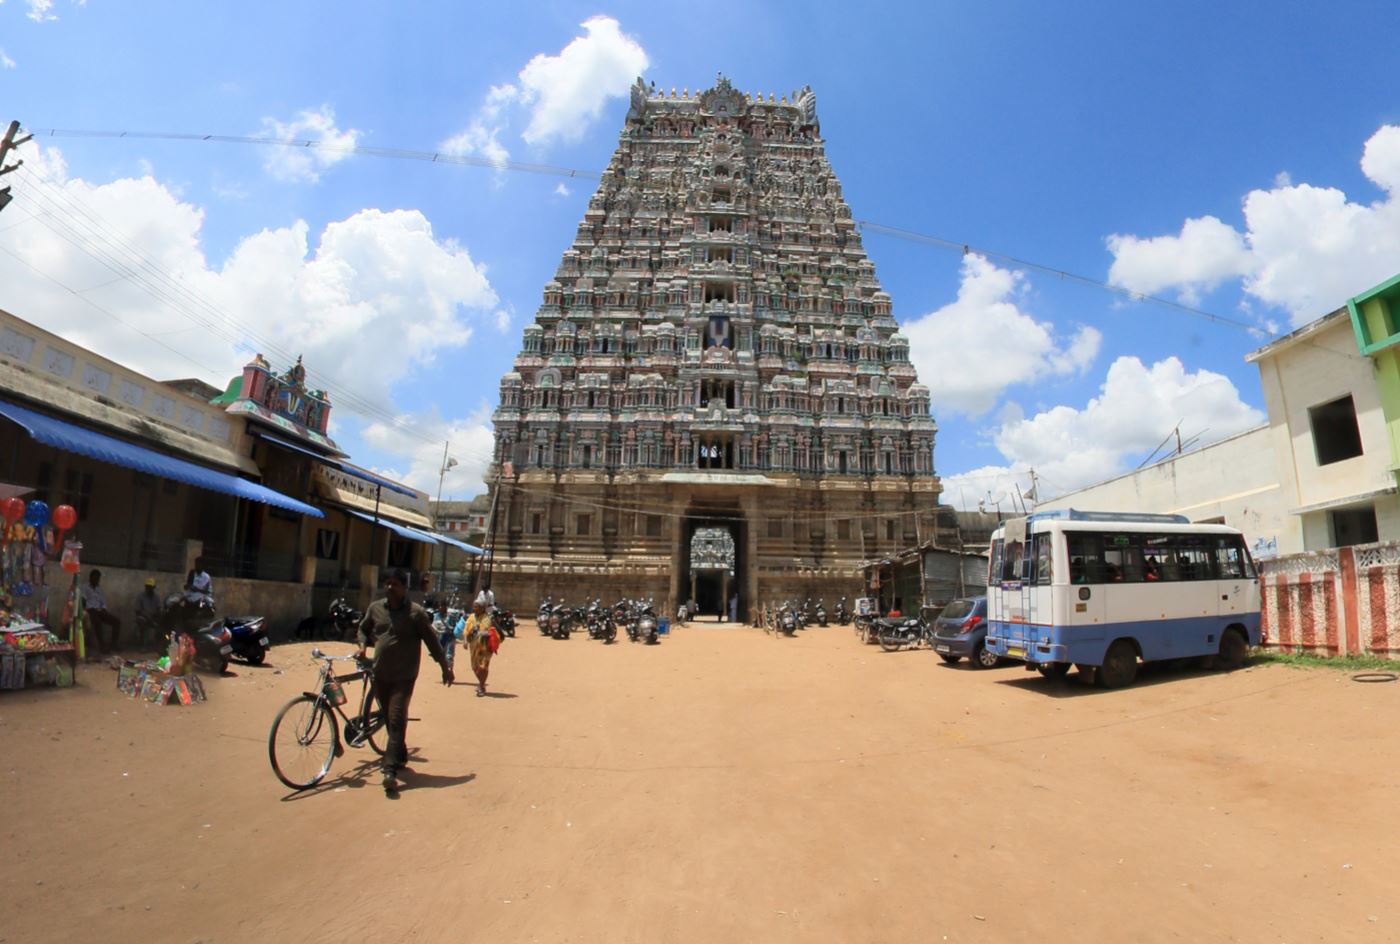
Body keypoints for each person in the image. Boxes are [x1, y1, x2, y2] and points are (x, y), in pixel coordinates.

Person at [356, 568, 453, 795]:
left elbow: (432, 641)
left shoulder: (416, 613)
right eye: (387, 584)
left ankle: (389, 770)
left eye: (395, 584)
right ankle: (399, 754)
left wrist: (444, 667)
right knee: (390, 720)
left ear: (404, 588)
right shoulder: (376, 608)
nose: (390, 588)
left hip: (404, 676)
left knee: (396, 717)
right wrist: (362, 645)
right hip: (380, 674)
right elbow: (363, 629)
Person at [460, 592, 498, 697]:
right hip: (473, 647)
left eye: (476, 607)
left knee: (483, 667)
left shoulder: (487, 618)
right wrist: (465, 640)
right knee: (474, 667)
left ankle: (482, 686)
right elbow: (466, 629)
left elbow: (485, 631)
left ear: (482, 608)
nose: (474, 608)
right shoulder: (471, 617)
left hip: (485, 648)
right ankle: (481, 683)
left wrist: (476, 632)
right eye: (474, 606)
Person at [82, 569, 121, 656]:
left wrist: (104, 609)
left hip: (100, 610)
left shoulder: (99, 589)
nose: (97, 580)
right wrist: (86, 610)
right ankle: (102, 645)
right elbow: (83, 601)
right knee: (97, 622)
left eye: (98, 578)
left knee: (116, 621)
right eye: (95, 578)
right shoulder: (85, 587)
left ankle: (113, 644)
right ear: (91, 578)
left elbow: (103, 602)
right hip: (90, 611)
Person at [134, 577, 162, 650]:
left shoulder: (156, 597)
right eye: (147, 587)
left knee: (162, 622)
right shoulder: (140, 596)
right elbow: (138, 610)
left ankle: (159, 645)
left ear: (154, 587)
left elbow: (159, 609)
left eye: (150, 587)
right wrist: (147, 617)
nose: (149, 588)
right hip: (143, 616)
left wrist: (157, 618)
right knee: (142, 622)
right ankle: (143, 645)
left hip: (153, 617)